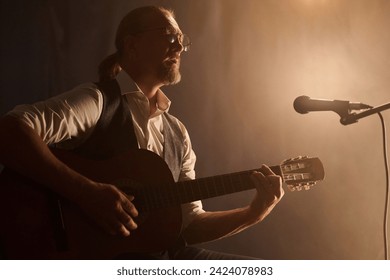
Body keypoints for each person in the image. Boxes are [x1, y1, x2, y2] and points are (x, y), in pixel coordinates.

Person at [0, 6, 284, 259]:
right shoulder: (99, 101)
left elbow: (188, 225)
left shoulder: (177, 133)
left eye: (182, 41)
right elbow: (10, 130)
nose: (178, 47)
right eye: (168, 35)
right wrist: (86, 192)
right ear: (132, 45)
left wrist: (253, 213)